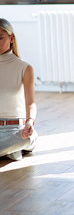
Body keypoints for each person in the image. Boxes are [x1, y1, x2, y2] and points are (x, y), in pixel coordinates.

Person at [0, 18, 37, 161]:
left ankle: (12, 148)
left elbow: (31, 103)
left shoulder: (24, 68)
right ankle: (10, 151)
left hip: (17, 130)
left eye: (0, 38)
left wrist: (29, 122)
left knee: (28, 139)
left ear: (11, 38)